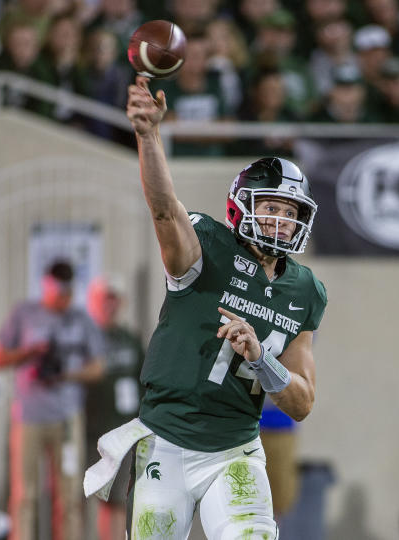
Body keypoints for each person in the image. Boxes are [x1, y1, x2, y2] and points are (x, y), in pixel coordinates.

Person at [83, 76, 328, 540]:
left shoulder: (306, 290)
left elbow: (301, 402)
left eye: (290, 211)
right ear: (241, 207)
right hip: (166, 442)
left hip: (235, 447)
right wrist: (149, 136)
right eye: (271, 206)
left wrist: (262, 360)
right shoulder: (208, 246)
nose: (282, 219)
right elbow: (163, 209)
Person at [0, 258, 105, 540]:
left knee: (68, 496)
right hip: (29, 418)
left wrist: (68, 375)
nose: (63, 300)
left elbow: (99, 367)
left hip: (67, 419)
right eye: (58, 294)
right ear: (46, 286)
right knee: (24, 495)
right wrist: (28, 353)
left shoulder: (80, 318)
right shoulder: (25, 314)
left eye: (67, 295)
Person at [83, 275, 145, 540]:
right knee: (95, 493)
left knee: (119, 496)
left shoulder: (129, 338)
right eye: (105, 299)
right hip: (94, 428)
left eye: (114, 300)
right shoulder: (86, 339)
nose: (110, 305)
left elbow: (143, 378)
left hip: (125, 427)